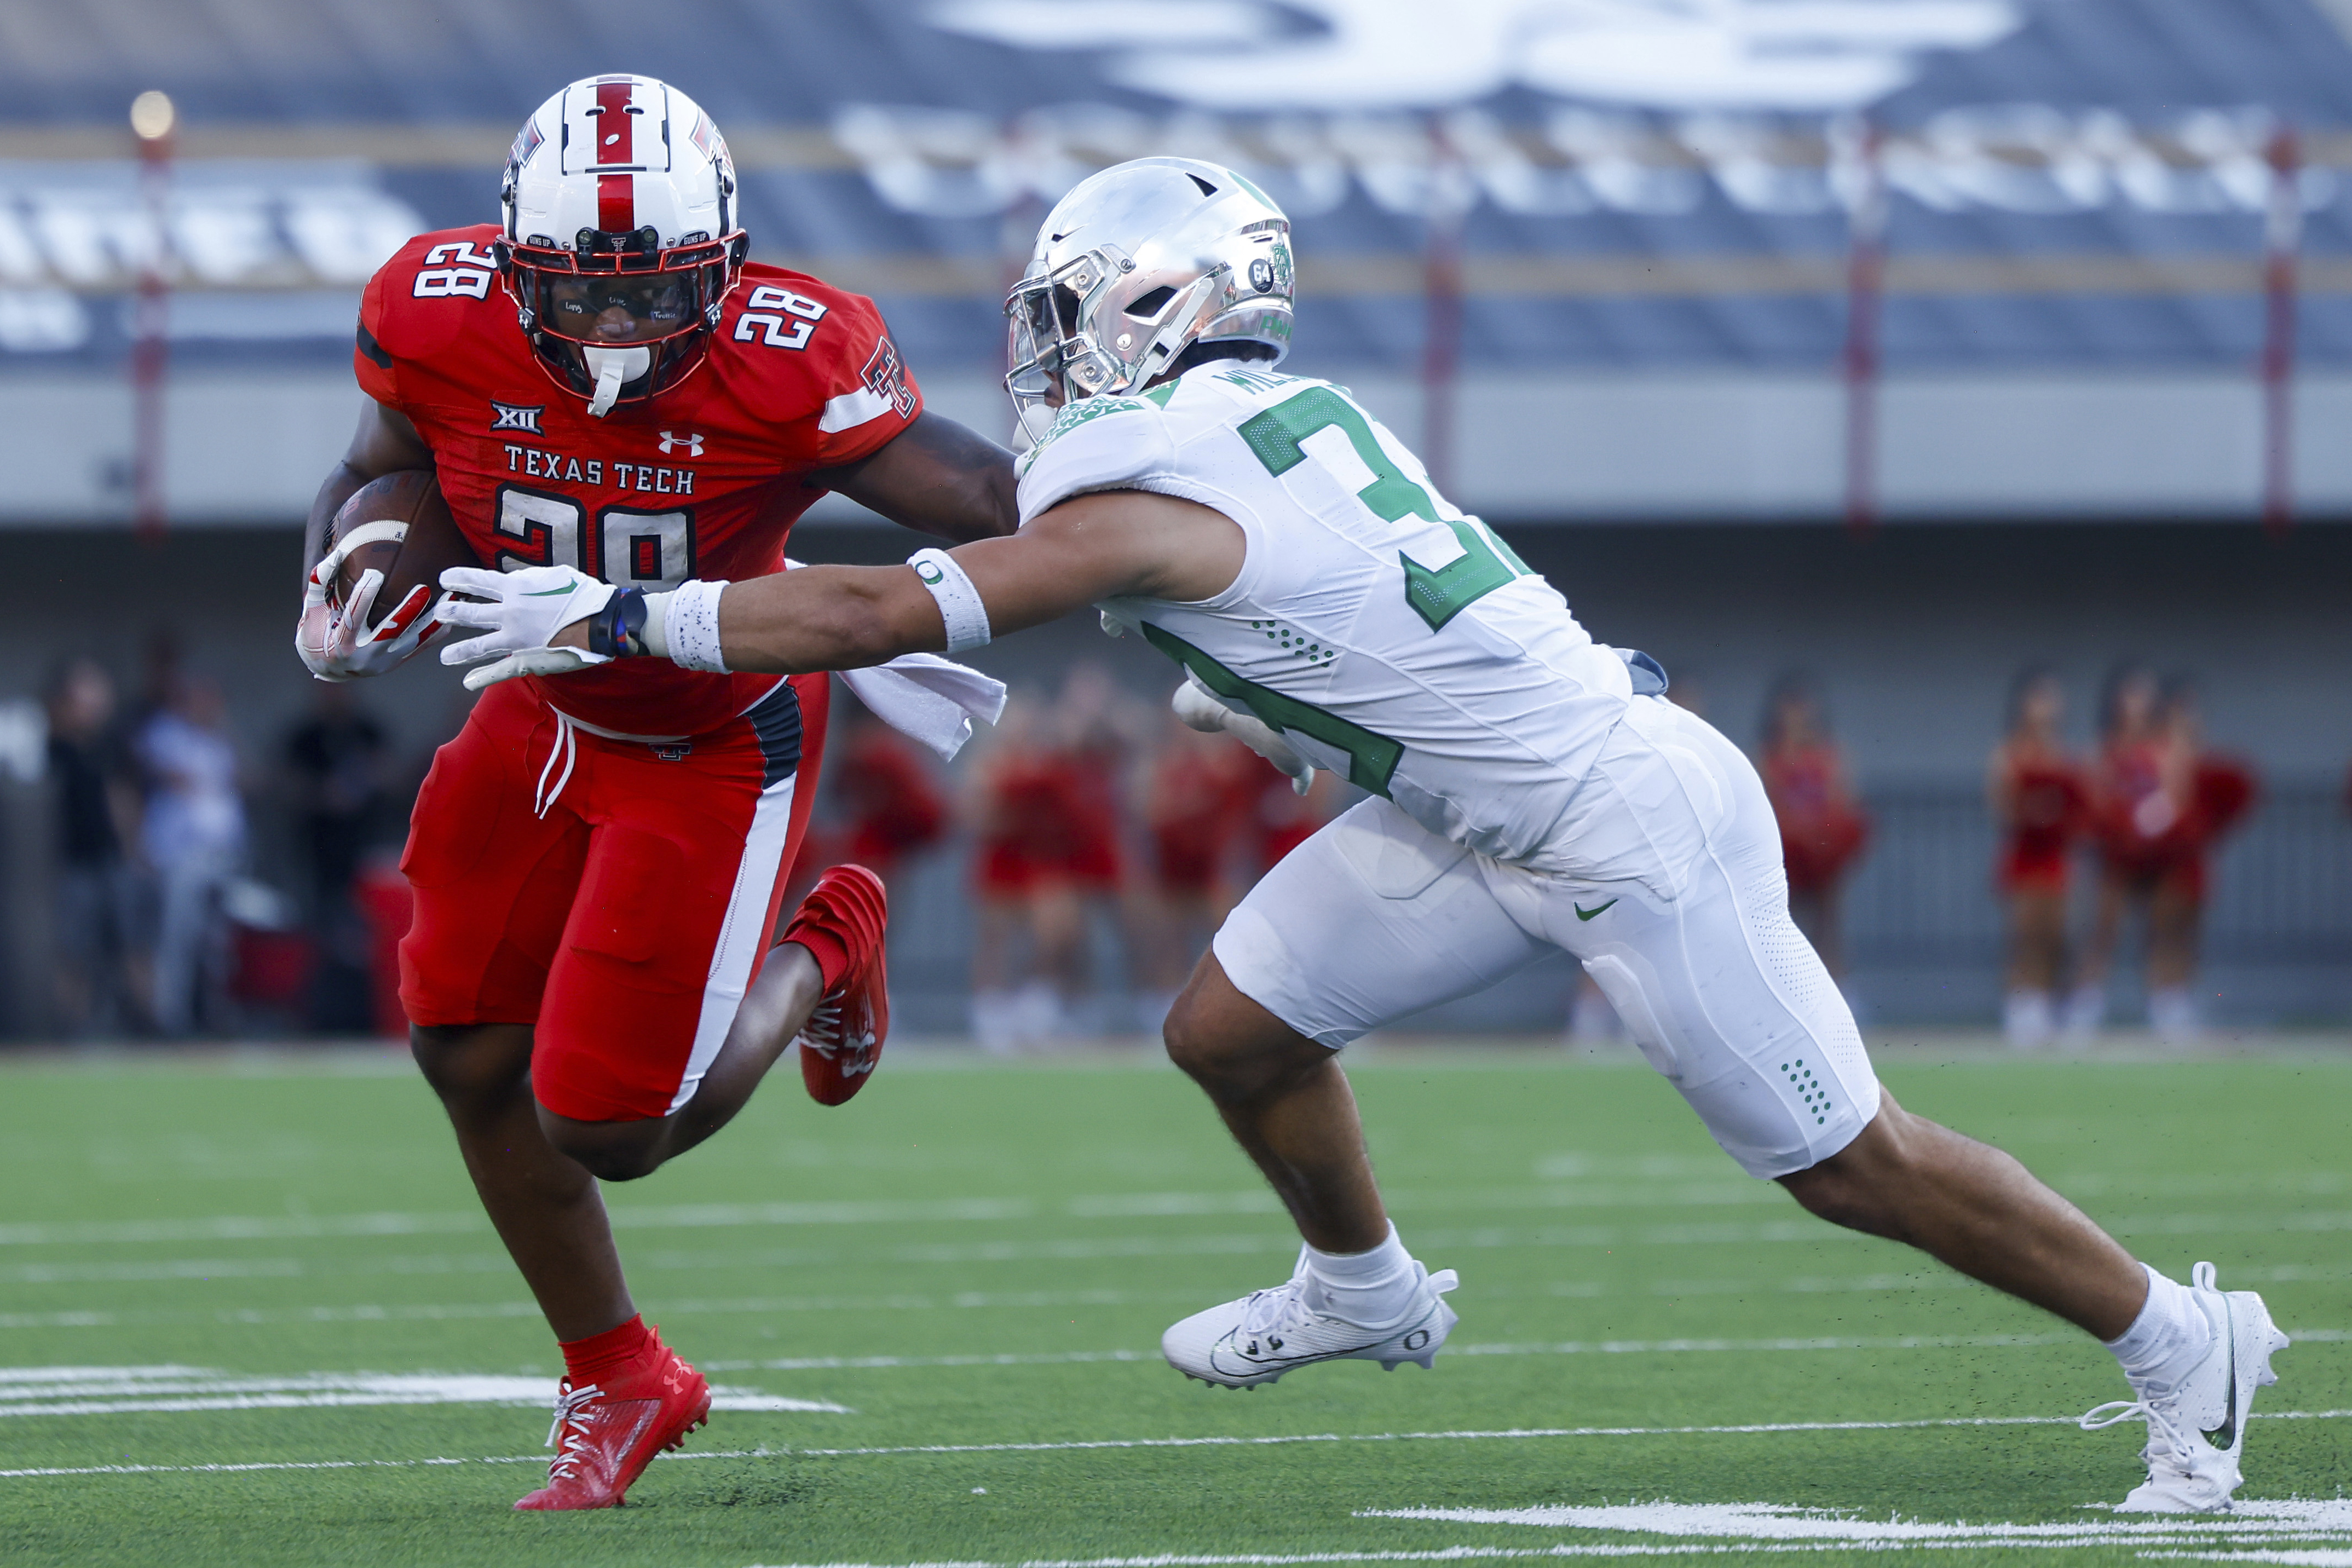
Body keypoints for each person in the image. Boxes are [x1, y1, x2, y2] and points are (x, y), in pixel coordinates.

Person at [449, 155, 2292, 1514]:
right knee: (1230, 1029)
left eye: (1061, 307)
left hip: (1612, 822)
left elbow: (876, 615)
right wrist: (1245, 689)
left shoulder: (1150, 481)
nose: (1037, 346)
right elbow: (1329, 623)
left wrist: (619, 615)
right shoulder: (1257, 423)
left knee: (1844, 1161)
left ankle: (2177, 1341)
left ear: (1138, 308)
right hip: (1469, 800)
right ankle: (1365, 1288)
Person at [288, 76, 1018, 1511]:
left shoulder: (799, 357)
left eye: (656, 294)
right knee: (461, 1051)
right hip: (541, 714)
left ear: (727, 267)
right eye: (579, 297)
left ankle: (828, 947)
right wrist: (333, 581)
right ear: (512, 267)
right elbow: (378, 474)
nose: (618, 332)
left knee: (613, 1129)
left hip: (712, 734)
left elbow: (1004, 511)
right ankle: (616, 1374)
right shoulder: (432, 312)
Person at [136, 674, 247, 1036]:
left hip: (223, 856)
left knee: (217, 945)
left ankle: (213, 1019)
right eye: (202, 701)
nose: (210, 708)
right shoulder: (167, 733)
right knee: (177, 941)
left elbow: (242, 778)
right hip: (182, 856)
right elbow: (171, 774)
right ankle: (171, 1021)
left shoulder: (218, 742)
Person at [44, 658, 147, 1036]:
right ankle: (71, 1031)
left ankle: (144, 1027)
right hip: (71, 866)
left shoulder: (109, 747)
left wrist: (134, 851)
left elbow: (122, 801)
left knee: (133, 945)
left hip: (113, 863)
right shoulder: (51, 749)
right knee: (74, 954)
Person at [1987, 668, 2086, 1049]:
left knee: (2057, 935)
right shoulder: (2009, 752)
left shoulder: (2063, 754)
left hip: (2056, 856)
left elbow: (2079, 802)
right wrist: (2032, 811)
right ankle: (2021, 1008)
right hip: (2025, 854)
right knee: (2025, 934)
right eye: (2038, 699)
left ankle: (2049, 1006)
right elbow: (2002, 804)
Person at [1757, 675, 1870, 982]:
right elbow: (1769, 801)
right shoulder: (1771, 757)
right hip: (1788, 849)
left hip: (1822, 847)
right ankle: (1788, 987)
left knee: (1828, 923)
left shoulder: (1830, 755)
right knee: (1785, 922)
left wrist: (1821, 832)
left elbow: (1842, 798)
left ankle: (1837, 989)